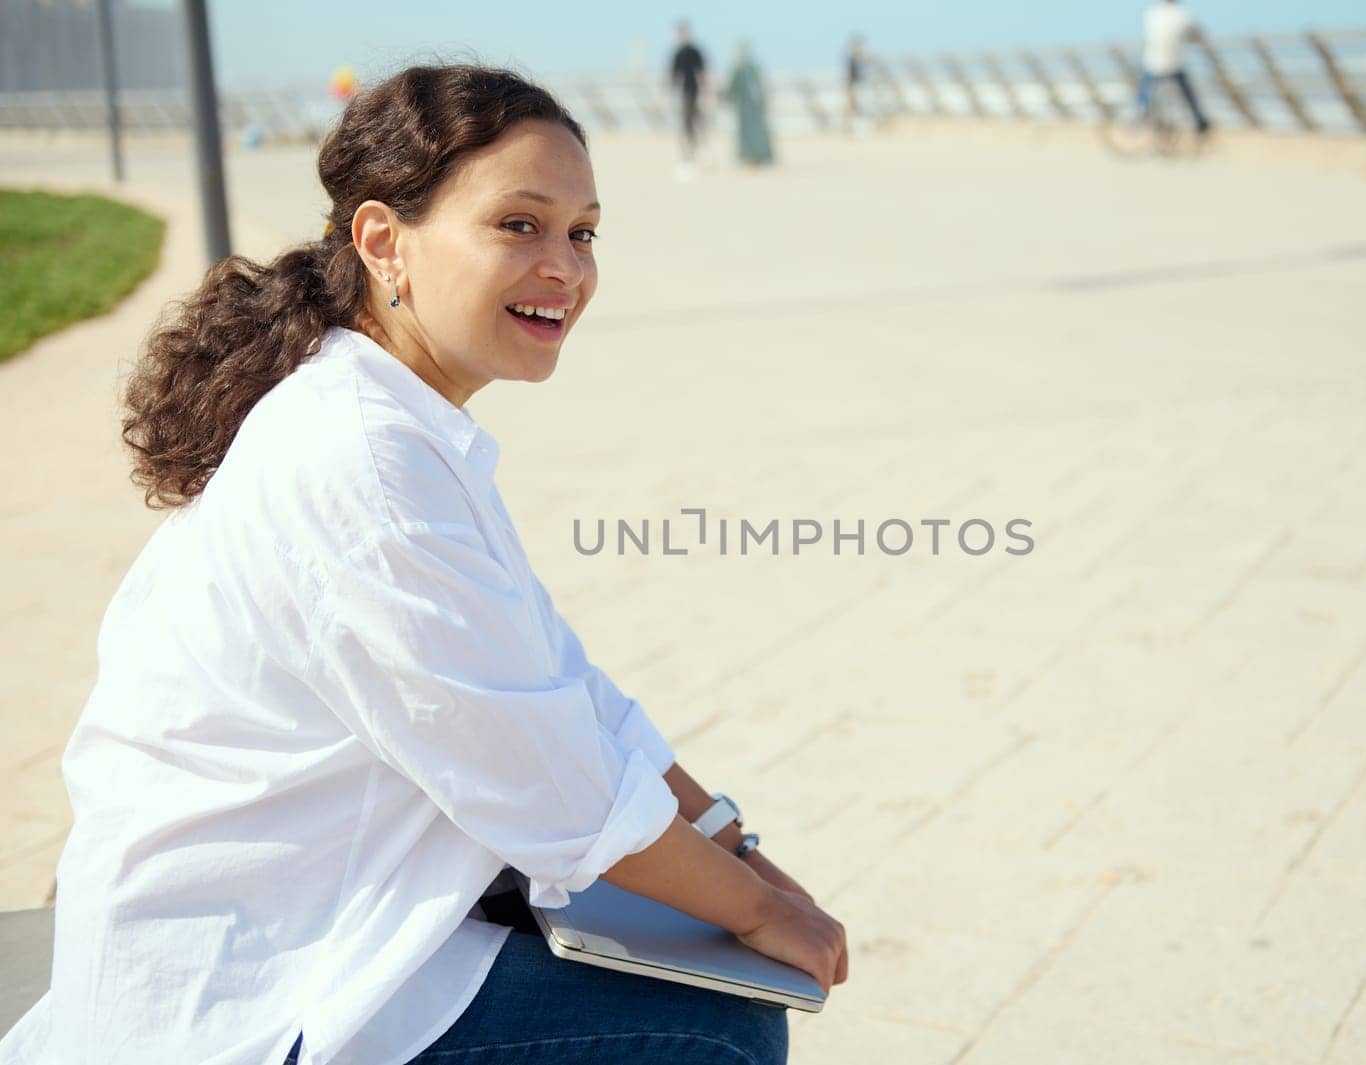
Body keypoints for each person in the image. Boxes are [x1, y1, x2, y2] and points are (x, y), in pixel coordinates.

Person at [0, 64, 846, 1065]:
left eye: (582, 232)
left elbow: (562, 688)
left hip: (317, 908)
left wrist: (735, 847)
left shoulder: (392, 418)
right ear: (381, 241)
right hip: (250, 985)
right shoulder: (360, 459)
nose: (566, 268)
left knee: (684, 955)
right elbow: (548, 787)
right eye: (519, 225)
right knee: (717, 1029)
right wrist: (758, 911)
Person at [1138, 0, 1211, 134]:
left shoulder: (1152, 12)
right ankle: (1200, 121)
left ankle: (1140, 113)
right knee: (1188, 93)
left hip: (1152, 61)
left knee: (1145, 90)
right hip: (1174, 63)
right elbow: (1195, 35)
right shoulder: (1183, 15)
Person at [722, 42, 774, 166]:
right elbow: (760, 88)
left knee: (747, 132)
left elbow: (732, 88)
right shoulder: (753, 68)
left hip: (745, 106)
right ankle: (757, 156)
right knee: (756, 130)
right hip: (753, 106)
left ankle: (751, 156)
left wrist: (725, 98)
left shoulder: (740, 68)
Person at [667, 21, 708, 167]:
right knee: (687, 121)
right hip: (685, 92)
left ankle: (700, 148)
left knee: (698, 120)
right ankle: (690, 150)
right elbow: (673, 75)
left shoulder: (694, 51)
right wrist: (670, 92)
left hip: (695, 91)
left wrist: (706, 91)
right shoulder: (678, 53)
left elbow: (702, 72)